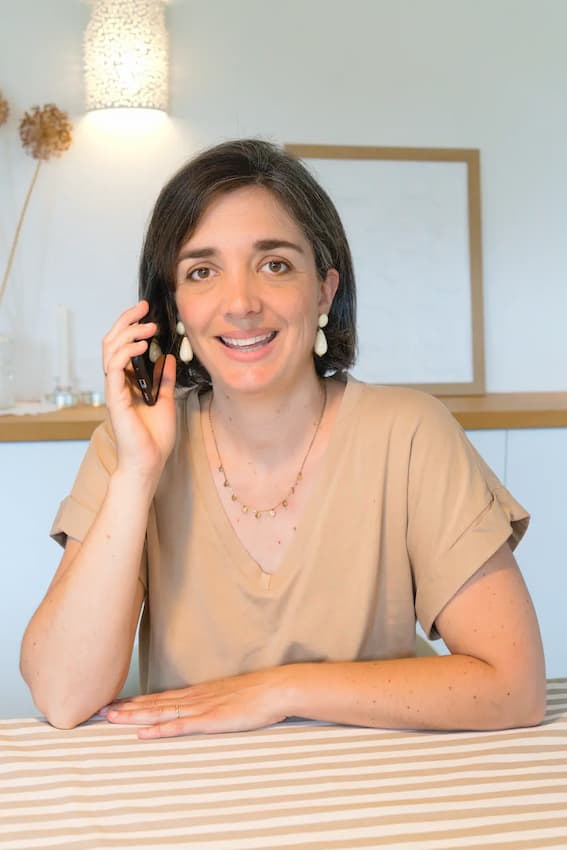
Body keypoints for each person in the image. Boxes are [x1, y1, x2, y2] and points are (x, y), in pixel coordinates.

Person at [20, 139, 545, 738]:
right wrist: (138, 472)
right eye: (202, 272)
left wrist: (279, 690)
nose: (241, 303)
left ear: (323, 289)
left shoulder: (410, 434)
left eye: (274, 264)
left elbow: (514, 687)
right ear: (174, 309)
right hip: (190, 784)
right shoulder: (128, 447)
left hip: (377, 777)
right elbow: (62, 695)